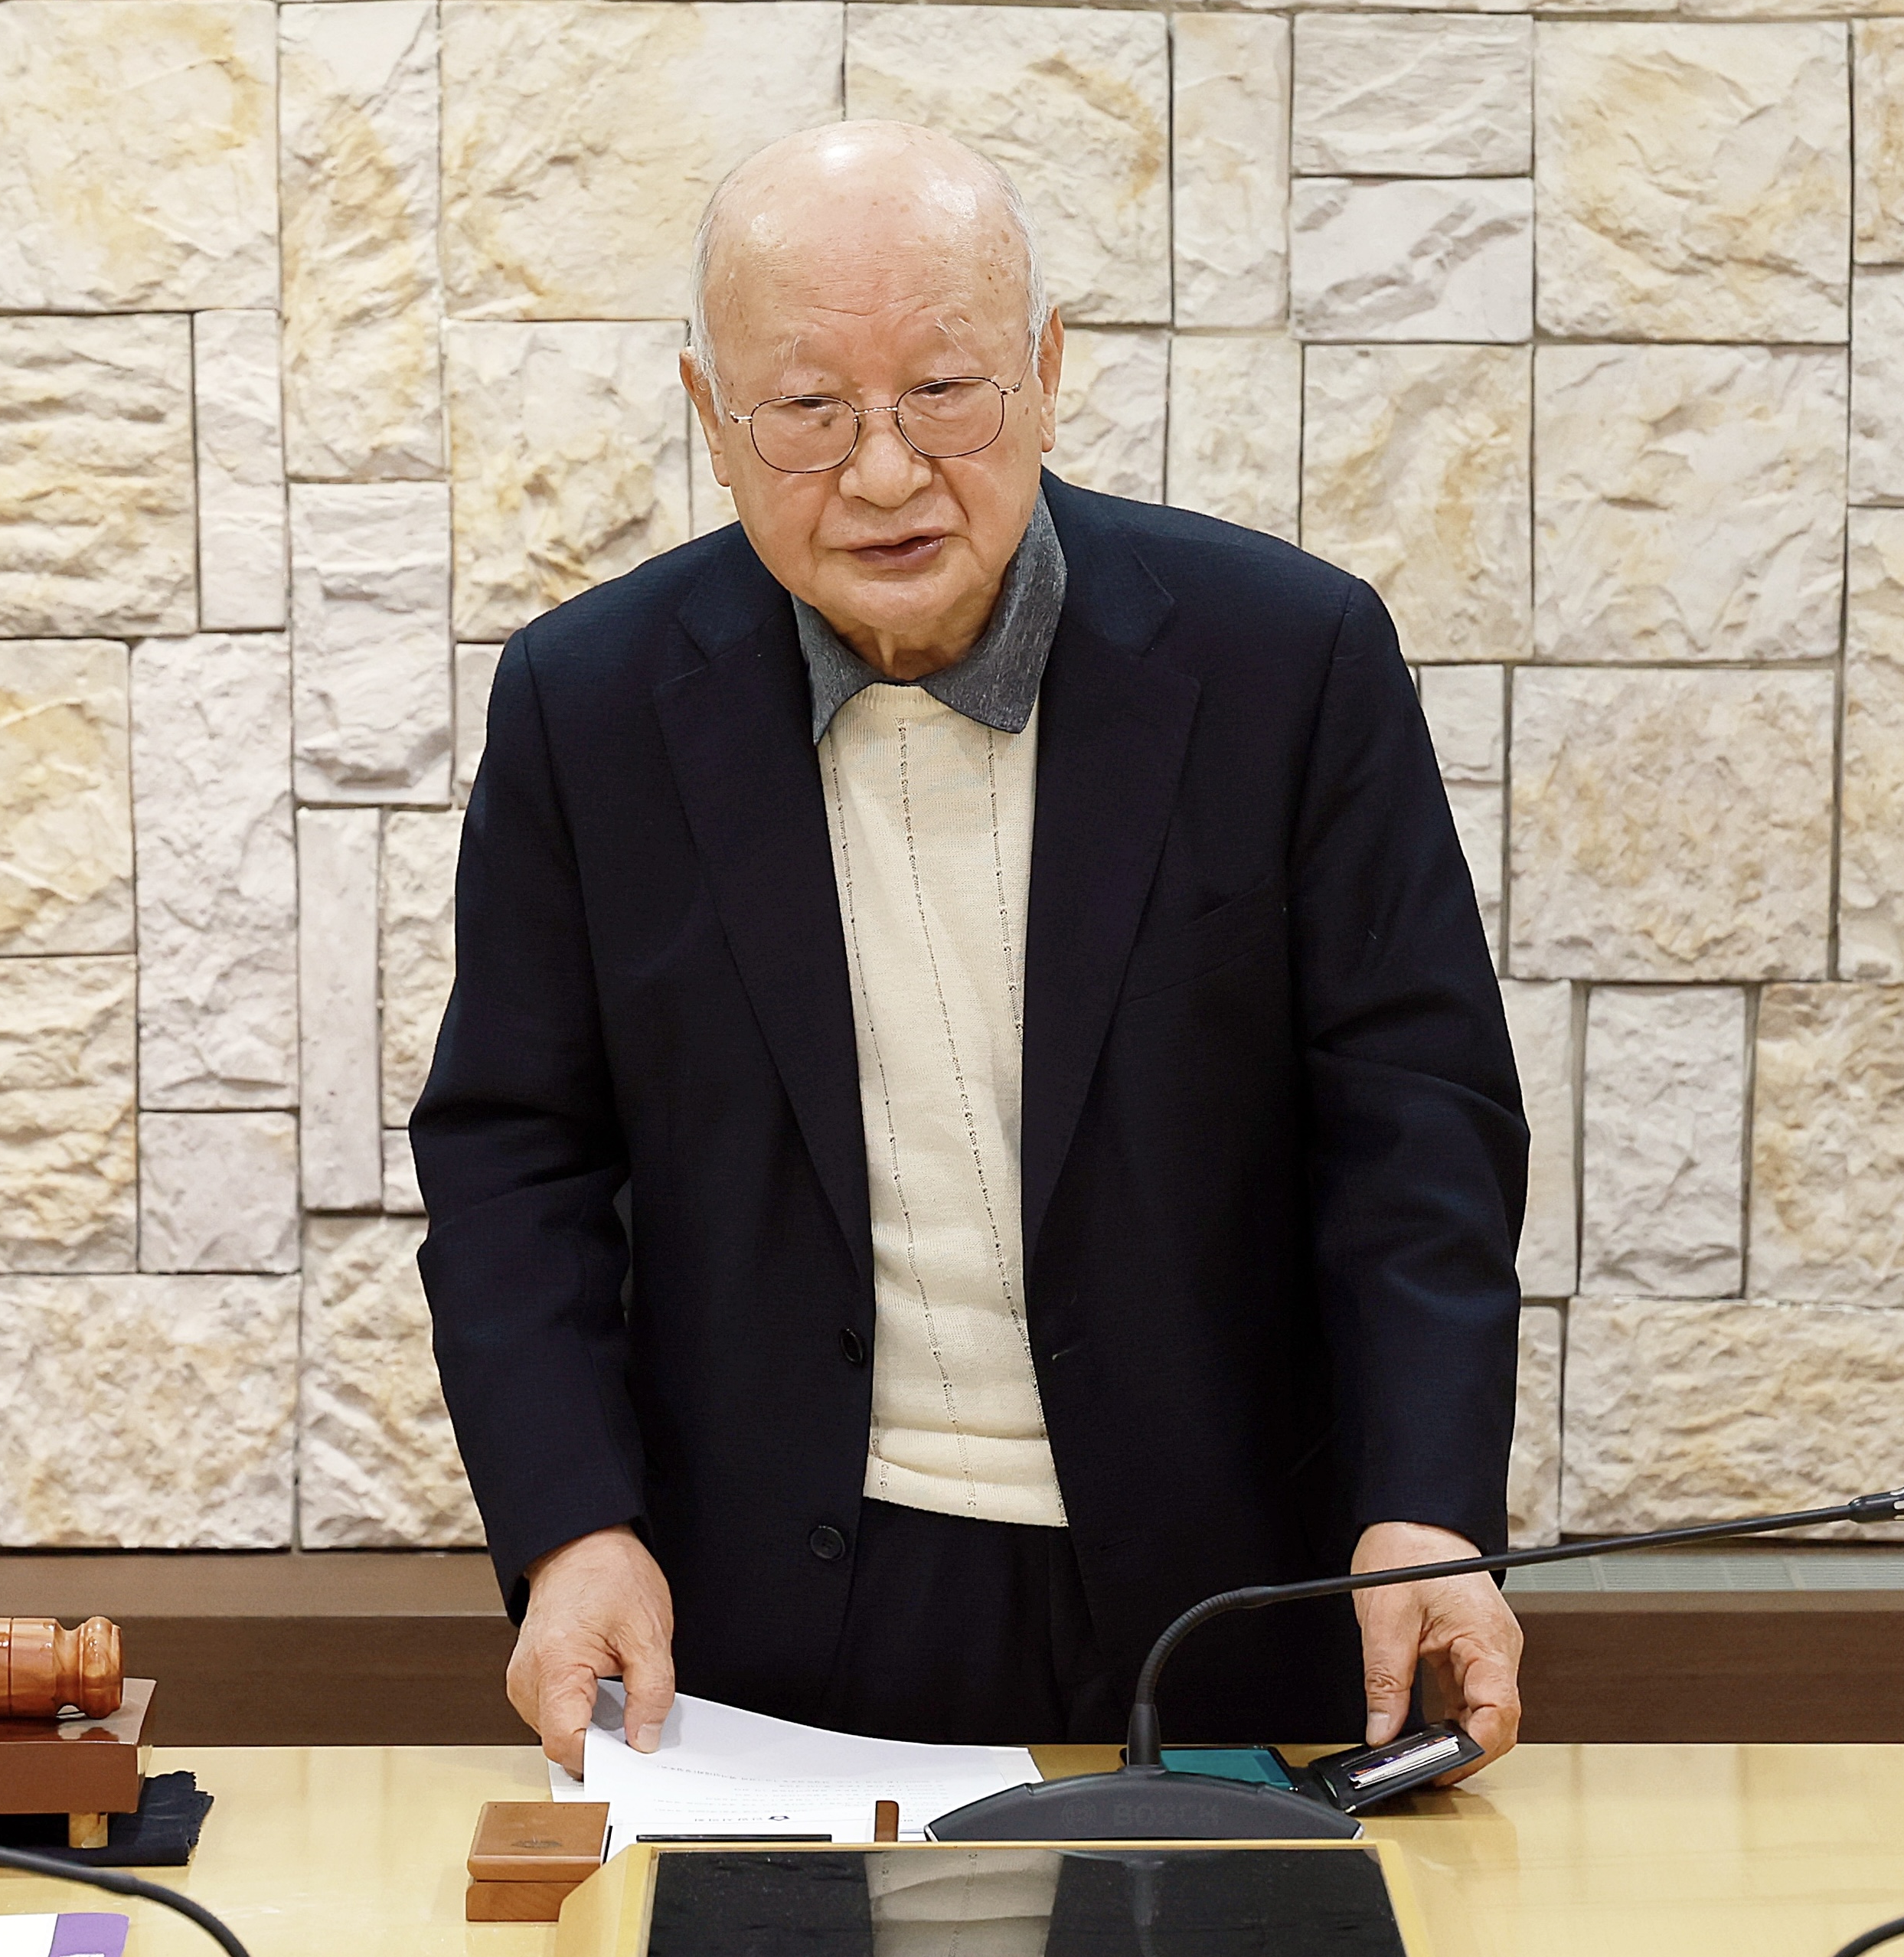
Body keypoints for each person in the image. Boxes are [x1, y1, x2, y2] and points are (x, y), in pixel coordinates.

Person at [413, 120, 1527, 1781]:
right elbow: (517, 1157)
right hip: (776, 1608)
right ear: (710, 416)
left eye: (944, 391)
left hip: (1229, 1593)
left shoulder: (1287, 662)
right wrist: (576, 1523)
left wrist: (1424, 1506)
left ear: (1047, 370)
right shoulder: (591, 707)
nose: (883, 473)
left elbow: (1417, 1127)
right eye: (808, 409)